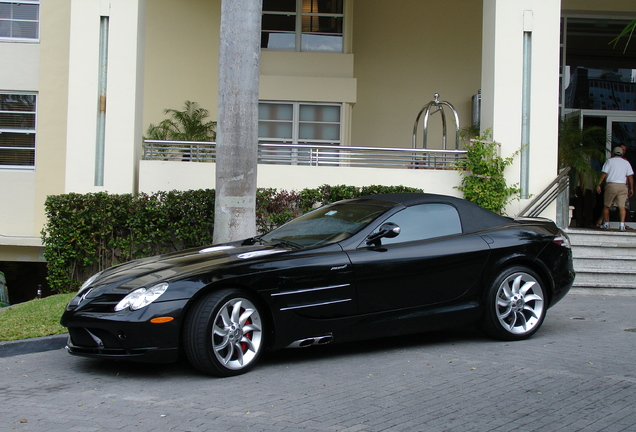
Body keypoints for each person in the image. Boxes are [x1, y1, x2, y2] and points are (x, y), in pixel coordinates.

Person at [596, 146, 634, 232]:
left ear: (613, 153)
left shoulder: (609, 161)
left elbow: (604, 174)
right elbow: (630, 176)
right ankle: (621, 225)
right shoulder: (626, 162)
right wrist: (631, 188)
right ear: (622, 153)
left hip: (611, 186)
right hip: (622, 186)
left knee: (606, 206)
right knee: (622, 207)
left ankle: (606, 224)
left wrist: (598, 184)